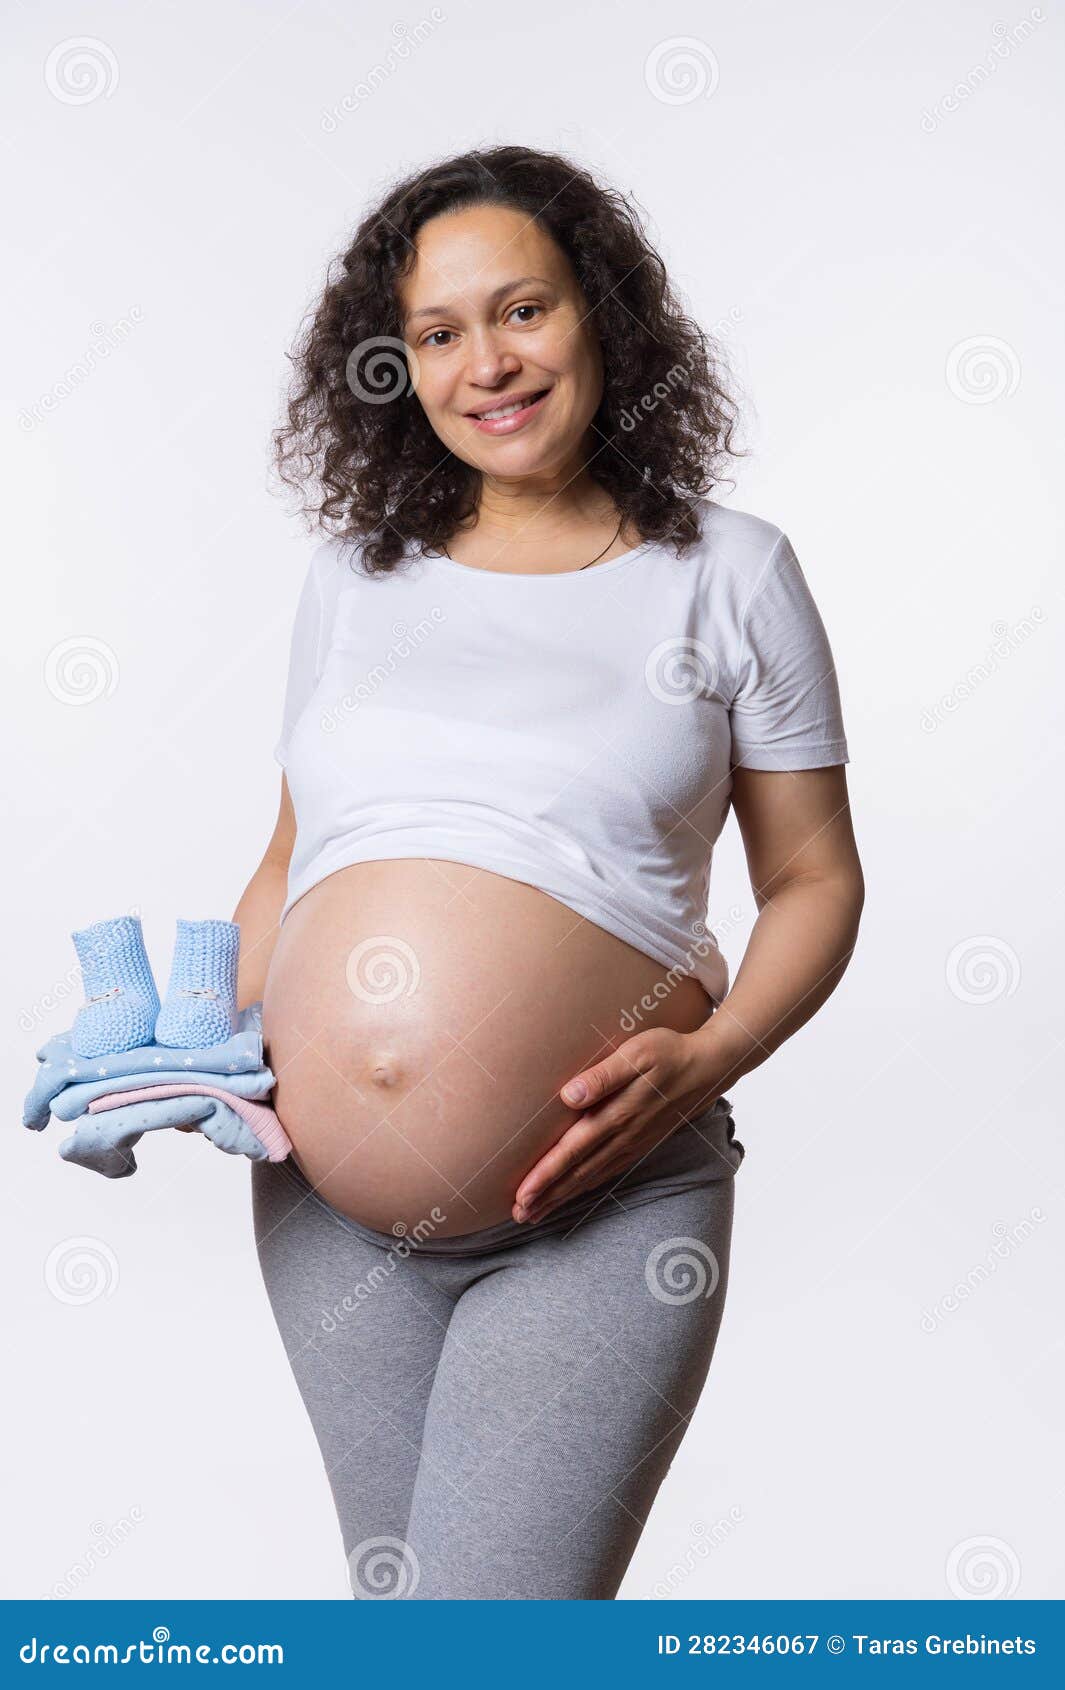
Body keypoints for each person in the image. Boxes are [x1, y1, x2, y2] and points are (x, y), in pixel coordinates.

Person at [233, 144, 864, 1600]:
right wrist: (202, 1045)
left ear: (602, 316)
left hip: (597, 1200)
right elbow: (289, 857)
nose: (485, 363)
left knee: (490, 1640)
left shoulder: (729, 572)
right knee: (403, 1632)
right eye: (437, 333)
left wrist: (712, 1054)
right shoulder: (353, 577)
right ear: (392, 367)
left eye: (521, 310)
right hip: (328, 1220)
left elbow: (816, 880)